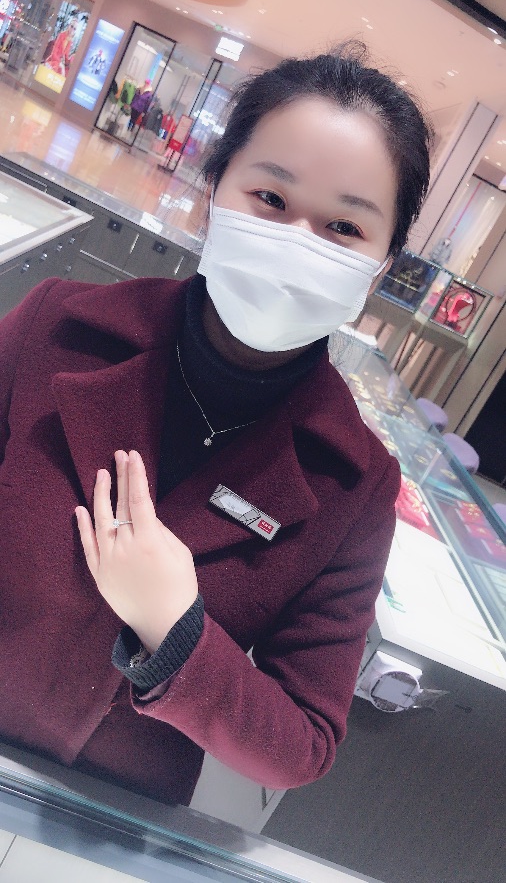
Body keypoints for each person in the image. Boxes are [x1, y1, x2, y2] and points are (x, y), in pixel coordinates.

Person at [0, 44, 431, 805]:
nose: (298, 239)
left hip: (104, 822)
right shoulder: (55, 328)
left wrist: (176, 631)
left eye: (343, 225)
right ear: (213, 193)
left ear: (382, 264)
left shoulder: (356, 483)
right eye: (270, 197)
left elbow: (302, 743)